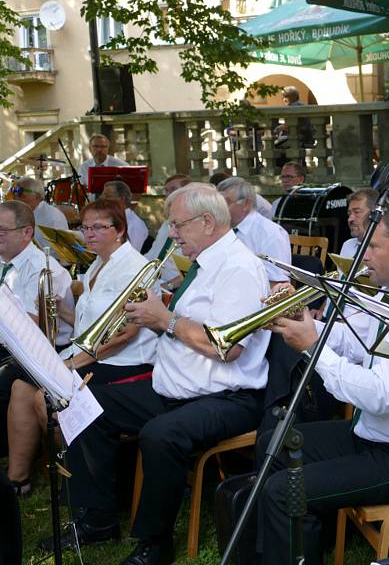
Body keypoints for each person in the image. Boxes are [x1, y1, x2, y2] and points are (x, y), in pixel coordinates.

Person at [50, 183, 271, 565]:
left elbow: (227, 347)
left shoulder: (238, 267)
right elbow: (185, 326)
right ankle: (97, 518)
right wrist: (151, 318)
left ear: (206, 222)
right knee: (82, 403)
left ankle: (155, 544)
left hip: (225, 397)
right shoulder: (205, 264)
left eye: (177, 225)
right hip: (176, 387)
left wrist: (165, 319)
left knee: (160, 434)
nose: (171, 234)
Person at [258, 199, 389, 565]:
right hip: (378, 436)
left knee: (281, 491)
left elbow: (379, 395)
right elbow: (352, 339)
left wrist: (311, 347)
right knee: (273, 445)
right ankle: (305, 546)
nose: (364, 255)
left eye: (373, 246)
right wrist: (303, 322)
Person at [7, 198, 157, 499]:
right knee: (21, 387)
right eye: (85, 227)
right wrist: (60, 310)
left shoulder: (133, 268)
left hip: (127, 362)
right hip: (94, 354)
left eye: (99, 227)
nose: (89, 233)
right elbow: (90, 323)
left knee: (46, 397)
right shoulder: (98, 265)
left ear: (120, 230)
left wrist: (74, 362)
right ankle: (28, 476)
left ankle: (83, 478)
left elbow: (125, 333)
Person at [0, 201, 74, 494]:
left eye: (2, 231)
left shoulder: (45, 269)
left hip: (41, 349)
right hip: (9, 345)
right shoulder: (5, 261)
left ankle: (18, 477)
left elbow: (33, 324)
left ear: (27, 232)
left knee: (6, 382)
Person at [217, 176, 291, 288]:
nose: (219, 208)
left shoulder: (271, 233)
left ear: (246, 204)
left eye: (225, 203)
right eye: (218, 203)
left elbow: (278, 283)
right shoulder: (224, 228)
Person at [142, 174, 191, 290]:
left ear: (188, 192)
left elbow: (196, 268)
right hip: (156, 284)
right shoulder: (166, 224)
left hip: (178, 289)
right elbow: (152, 255)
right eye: (166, 191)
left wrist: (168, 286)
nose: (168, 194)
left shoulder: (193, 225)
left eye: (173, 190)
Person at [8, 177, 70, 251]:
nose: (16, 198)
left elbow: (59, 253)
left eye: (21, 194)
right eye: (14, 194)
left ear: (37, 196)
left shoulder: (52, 217)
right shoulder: (24, 213)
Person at [101, 180, 148, 252]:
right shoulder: (110, 219)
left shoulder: (135, 224)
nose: (102, 200)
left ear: (122, 199)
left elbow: (132, 254)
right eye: (103, 196)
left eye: (108, 196)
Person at [340, 188, 378, 259]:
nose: (350, 219)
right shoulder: (347, 246)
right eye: (349, 214)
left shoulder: (386, 249)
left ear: (374, 214)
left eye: (357, 212)